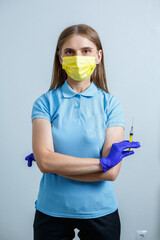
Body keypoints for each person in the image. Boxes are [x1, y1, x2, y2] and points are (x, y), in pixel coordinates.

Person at [26, 24, 141, 240]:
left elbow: (111, 174)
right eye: (69, 52)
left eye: (86, 51)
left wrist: (54, 163)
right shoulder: (44, 103)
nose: (78, 58)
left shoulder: (111, 105)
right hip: (51, 211)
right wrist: (102, 162)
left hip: (101, 212)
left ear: (98, 56)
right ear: (60, 58)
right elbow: (45, 163)